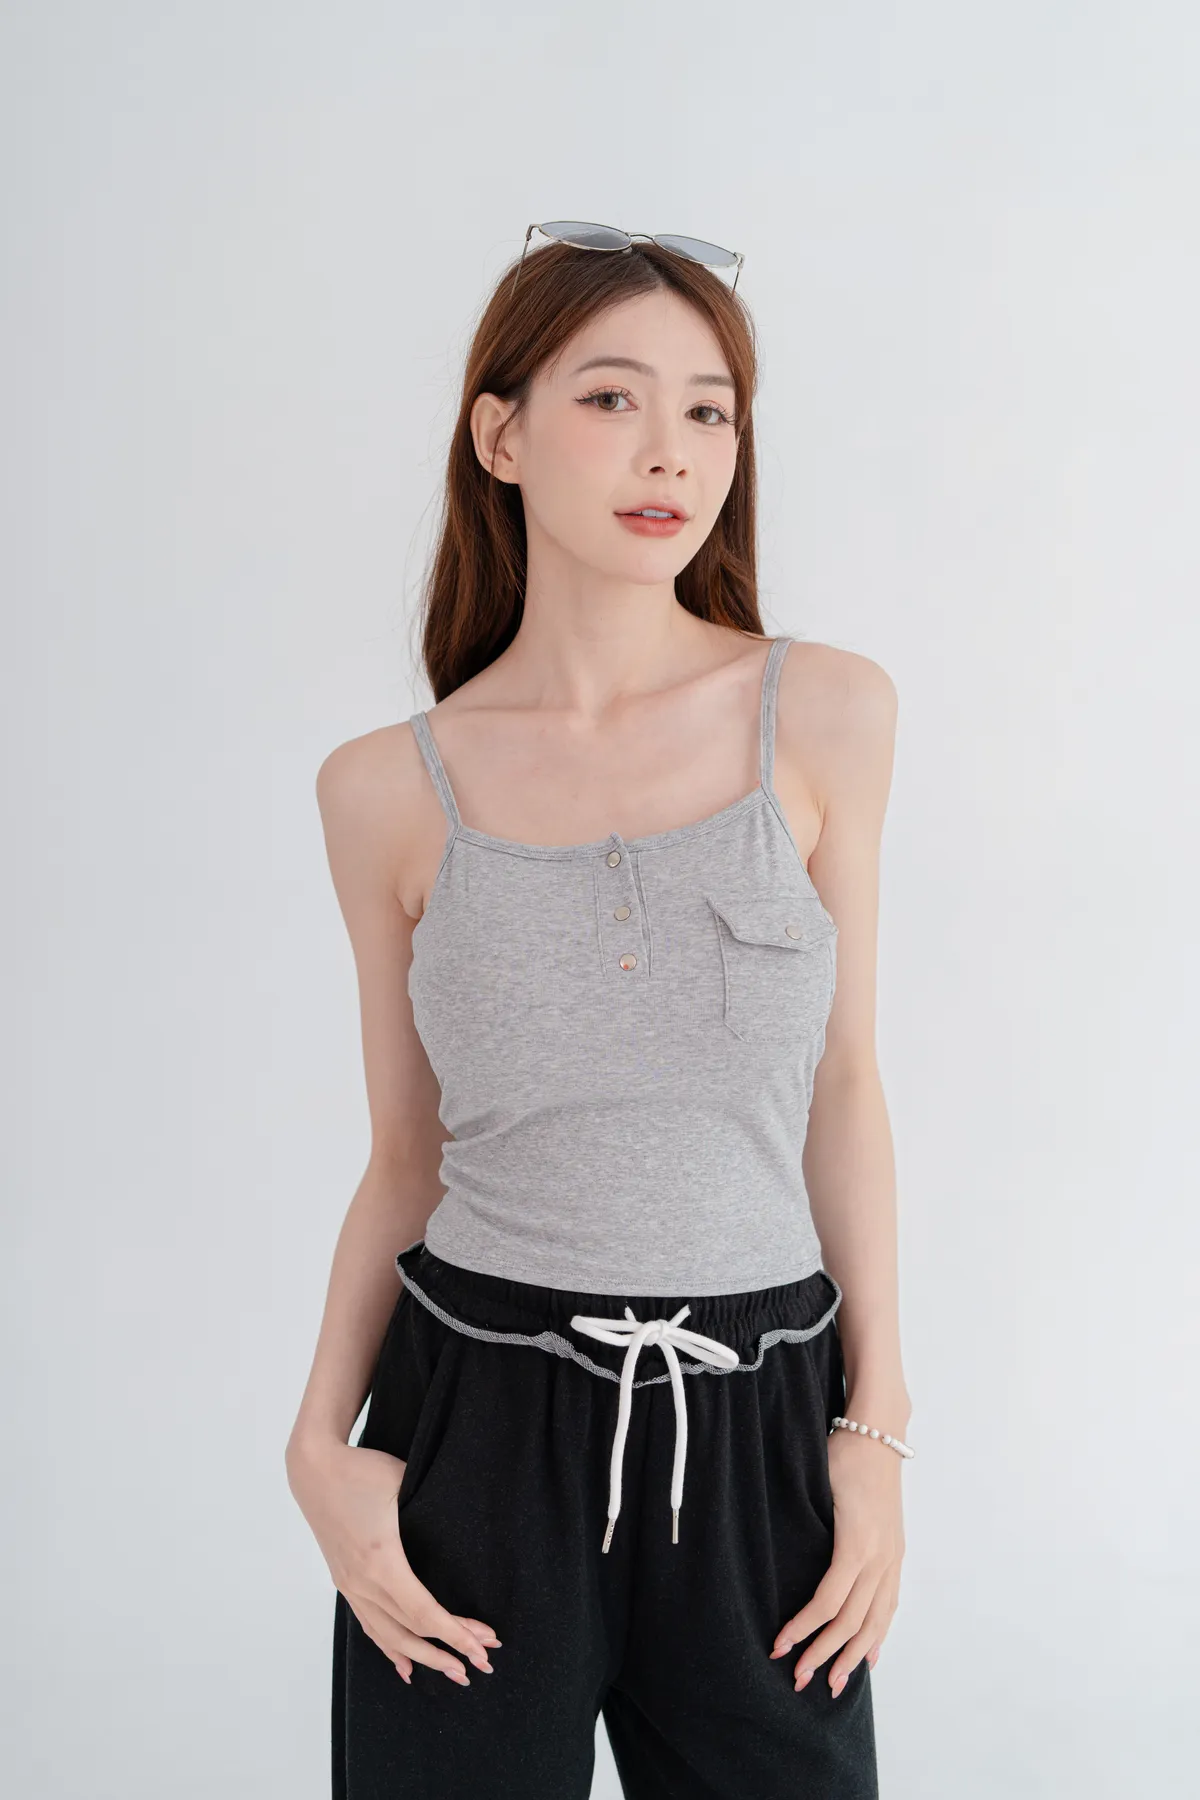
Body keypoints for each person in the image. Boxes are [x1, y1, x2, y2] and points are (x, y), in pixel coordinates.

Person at [285, 225, 912, 1800]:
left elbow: (845, 1088)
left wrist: (877, 1429)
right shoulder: (384, 790)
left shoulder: (826, 714)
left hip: (761, 1422)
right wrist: (319, 1447)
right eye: (613, 399)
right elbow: (406, 1156)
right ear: (500, 436)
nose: (670, 453)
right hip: (476, 1428)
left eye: (710, 412)